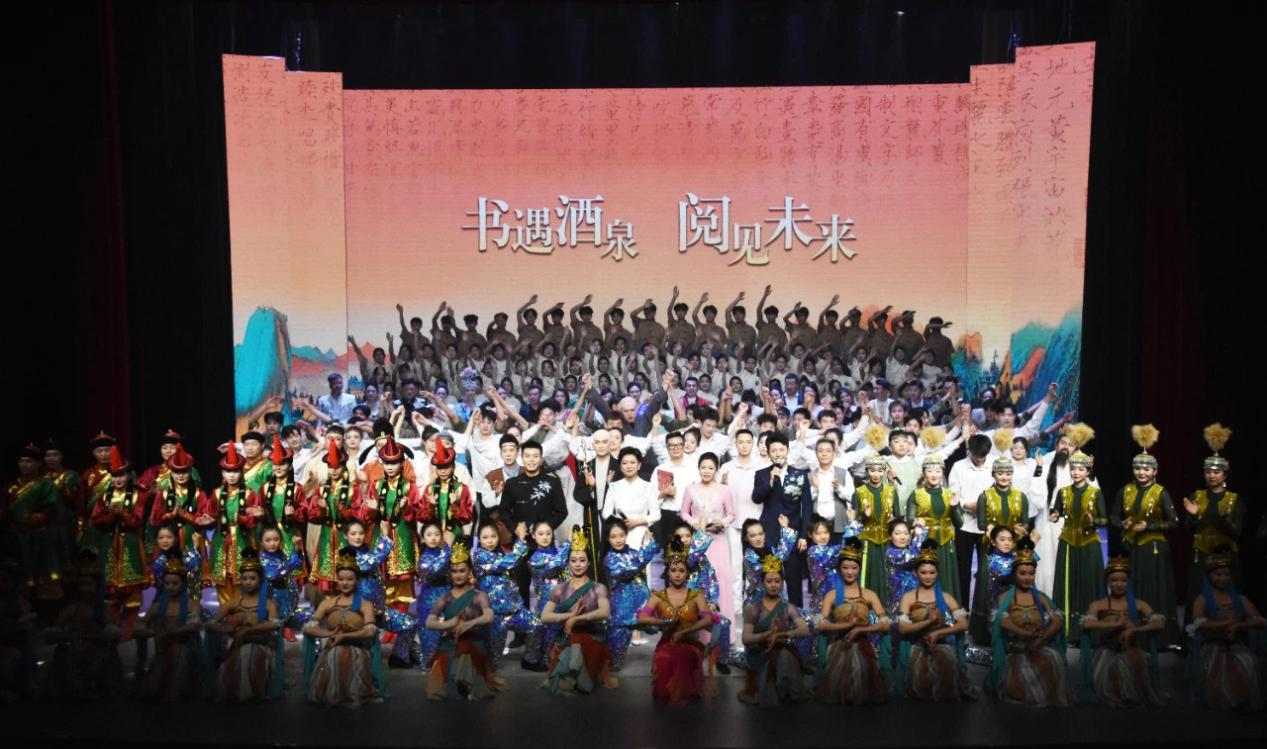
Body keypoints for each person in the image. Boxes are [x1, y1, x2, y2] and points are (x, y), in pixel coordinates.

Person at [1110, 425, 1179, 647]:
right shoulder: (1125, 490)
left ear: (1155, 471)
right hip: (1131, 548)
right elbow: (1113, 516)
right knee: (1134, 589)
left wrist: (1148, 526)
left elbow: (1174, 521)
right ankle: (1133, 635)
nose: (1142, 472)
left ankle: (1159, 638)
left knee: (1154, 591)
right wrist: (1122, 523)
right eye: (1138, 468)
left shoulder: (1161, 492)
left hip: (1154, 548)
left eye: (1147, 469)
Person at [986, 537, 1069, 707]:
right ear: (1014, 574)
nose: (1027, 578)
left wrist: (1039, 640)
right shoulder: (1005, 598)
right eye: (1022, 573)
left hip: (1038, 645)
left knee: (1053, 659)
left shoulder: (1041, 598)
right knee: (1017, 672)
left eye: (1031, 574)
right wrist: (1025, 634)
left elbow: (1058, 620)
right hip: (1016, 648)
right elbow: (1002, 622)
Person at [363, 435, 423, 665]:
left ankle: (400, 629)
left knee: (403, 585)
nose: (390, 467)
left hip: (404, 538)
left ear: (401, 463)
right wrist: (372, 509)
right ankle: (389, 625)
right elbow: (365, 515)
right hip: (382, 539)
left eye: (394, 462)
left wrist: (407, 508)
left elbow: (419, 514)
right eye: (386, 463)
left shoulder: (409, 486)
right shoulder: (376, 485)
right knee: (383, 583)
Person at [1078, 556, 1166, 707]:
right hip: (1107, 651)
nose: (1119, 584)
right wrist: (1115, 624)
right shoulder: (1099, 604)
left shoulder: (1139, 604)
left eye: (1123, 580)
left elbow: (1160, 623)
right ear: (1108, 581)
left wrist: (1134, 629)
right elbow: (1086, 623)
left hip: (1130, 649)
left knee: (1136, 664)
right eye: (1114, 580)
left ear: (1128, 582)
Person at [302, 550, 386, 707]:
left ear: (357, 580)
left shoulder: (365, 604)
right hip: (332, 649)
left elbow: (370, 631)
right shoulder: (327, 603)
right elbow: (309, 629)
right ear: (337, 580)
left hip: (357, 650)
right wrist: (328, 633)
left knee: (345, 655)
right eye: (341, 579)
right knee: (335, 655)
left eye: (350, 579)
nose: (345, 583)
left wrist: (345, 636)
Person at [424, 539, 505, 701]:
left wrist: (469, 624)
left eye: (462, 570)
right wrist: (450, 623)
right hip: (449, 644)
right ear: (450, 573)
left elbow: (489, 616)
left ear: (469, 572)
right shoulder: (445, 597)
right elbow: (429, 622)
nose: (458, 575)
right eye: (454, 571)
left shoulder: (479, 595)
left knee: (466, 650)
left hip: (473, 644)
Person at [637, 538, 713, 704]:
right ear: (667, 572)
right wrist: (665, 623)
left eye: (681, 570)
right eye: (673, 570)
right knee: (661, 693)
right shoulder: (658, 596)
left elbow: (708, 619)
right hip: (666, 644)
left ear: (687, 573)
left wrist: (685, 631)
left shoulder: (696, 595)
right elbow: (642, 617)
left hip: (690, 643)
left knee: (683, 654)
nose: (677, 574)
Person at [814, 538, 889, 705]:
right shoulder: (832, 595)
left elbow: (885, 624)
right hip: (839, 645)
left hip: (863, 645)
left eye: (854, 568)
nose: (850, 572)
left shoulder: (869, 594)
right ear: (839, 569)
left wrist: (860, 630)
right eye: (845, 567)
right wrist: (847, 625)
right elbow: (820, 624)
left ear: (859, 568)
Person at [1187, 549, 1265, 710]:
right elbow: (1197, 624)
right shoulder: (1202, 599)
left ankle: (1243, 701)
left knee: (1249, 662)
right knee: (1218, 668)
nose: (1223, 578)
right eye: (1218, 574)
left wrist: (1239, 625)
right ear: (1209, 576)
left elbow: (1260, 621)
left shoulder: (1240, 598)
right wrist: (1226, 624)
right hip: (1212, 645)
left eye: (1227, 574)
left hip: (1236, 644)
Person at [541, 527, 615, 695]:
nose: (578, 564)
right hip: (566, 639)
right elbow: (545, 616)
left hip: (592, 639)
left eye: (582, 560)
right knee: (565, 676)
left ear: (589, 563)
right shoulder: (559, 589)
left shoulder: (598, 588)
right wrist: (571, 615)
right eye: (573, 560)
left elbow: (605, 612)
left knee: (582, 684)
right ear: (568, 563)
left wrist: (577, 619)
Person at [39, 552, 122, 699]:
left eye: (88, 585)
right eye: (81, 585)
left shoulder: (103, 610)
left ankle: (94, 686)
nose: (84, 588)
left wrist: (90, 637)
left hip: (96, 649)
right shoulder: (70, 609)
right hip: (73, 649)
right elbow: (55, 630)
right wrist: (66, 636)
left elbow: (111, 633)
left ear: (97, 587)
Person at [896, 539, 971, 702]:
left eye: (932, 572)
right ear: (915, 573)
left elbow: (963, 624)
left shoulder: (946, 597)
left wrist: (938, 633)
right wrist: (928, 621)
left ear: (937, 573)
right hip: (917, 648)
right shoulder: (908, 597)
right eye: (923, 572)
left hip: (941, 648)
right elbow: (902, 628)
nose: (928, 576)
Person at [205, 549, 284, 702]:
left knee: (249, 652)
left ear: (260, 580)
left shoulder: (268, 604)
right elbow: (210, 624)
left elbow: (275, 626)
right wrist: (227, 629)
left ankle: (252, 691)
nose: (248, 582)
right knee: (241, 654)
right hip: (236, 646)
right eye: (245, 578)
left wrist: (248, 631)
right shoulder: (234, 603)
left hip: (261, 647)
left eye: (252, 578)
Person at [1181, 424, 1243, 619]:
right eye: (1208, 472)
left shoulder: (1234, 499)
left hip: (1226, 555)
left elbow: (1237, 533)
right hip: (1201, 553)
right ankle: (1195, 635)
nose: (1212, 476)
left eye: (1216, 472)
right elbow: (1188, 528)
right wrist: (1194, 516)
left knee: (1228, 597)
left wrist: (1224, 520)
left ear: (1225, 475)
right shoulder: (1197, 496)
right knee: (1197, 593)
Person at [88, 446, 149, 639]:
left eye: (122, 475)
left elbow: (137, 520)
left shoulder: (138, 495)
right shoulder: (104, 496)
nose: (118, 479)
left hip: (130, 545)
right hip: (109, 546)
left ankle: (128, 630)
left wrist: (121, 513)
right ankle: (112, 628)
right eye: (114, 476)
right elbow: (95, 520)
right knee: (110, 591)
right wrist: (110, 516)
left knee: (132, 591)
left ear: (129, 476)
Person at [738, 555, 811, 706]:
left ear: (782, 583)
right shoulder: (754, 609)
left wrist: (781, 634)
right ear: (762, 583)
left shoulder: (788, 607)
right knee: (782, 657)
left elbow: (804, 630)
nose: (773, 585)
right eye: (769, 581)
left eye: (777, 581)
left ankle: (786, 691)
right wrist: (767, 635)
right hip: (761, 653)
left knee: (784, 655)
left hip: (782, 649)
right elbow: (746, 638)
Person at [472, 521, 543, 671]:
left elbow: (512, 560)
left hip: (513, 610)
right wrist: (521, 538)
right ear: (479, 540)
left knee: (536, 625)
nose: (490, 540)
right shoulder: (479, 556)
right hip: (494, 615)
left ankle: (530, 660)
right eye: (485, 537)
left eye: (493, 536)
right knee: (492, 664)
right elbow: (508, 562)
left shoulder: (500, 554)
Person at [1051, 450, 1107, 639]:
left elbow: (1104, 519)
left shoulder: (1095, 493)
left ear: (1088, 471)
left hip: (1089, 543)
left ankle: (1089, 630)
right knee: (1067, 584)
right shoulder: (1063, 492)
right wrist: (1055, 515)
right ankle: (1067, 631)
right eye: (1073, 469)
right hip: (1067, 542)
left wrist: (1094, 521)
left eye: (1081, 469)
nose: (1076, 472)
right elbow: (1057, 511)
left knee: (1088, 583)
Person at [134, 555, 205, 702]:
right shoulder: (157, 607)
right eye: (167, 583)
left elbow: (194, 625)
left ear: (183, 583)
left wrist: (169, 633)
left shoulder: (192, 605)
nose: (170, 587)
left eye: (175, 583)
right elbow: (140, 625)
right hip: (163, 650)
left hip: (185, 652)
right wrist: (151, 632)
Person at [753, 432, 812, 607]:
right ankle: (772, 617)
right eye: (774, 450)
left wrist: (803, 536)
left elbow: (807, 507)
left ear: (787, 450)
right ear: (768, 453)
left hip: (792, 534)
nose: (778, 453)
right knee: (770, 581)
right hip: (769, 535)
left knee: (794, 581)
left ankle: (796, 617)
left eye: (781, 449)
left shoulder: (800, 475)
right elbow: (756, 498)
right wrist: (771, 480)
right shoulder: (762, 474)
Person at [679, 452, 735, 633]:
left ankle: (724, 631)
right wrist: (693, 523)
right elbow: (683, 512)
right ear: (698, 469)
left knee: (721, 579)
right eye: (703, 467)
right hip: (698, 542)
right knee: (700, 582)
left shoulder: (724, 490)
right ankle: (700, 634)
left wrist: (722, 522)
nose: (706, 471)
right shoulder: (691, 489)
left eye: (710, 468)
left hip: (718, 540)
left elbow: (731, 515)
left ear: (716, 469)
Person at [207, 445, 262, 607]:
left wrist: (243, 518)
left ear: (241, 472)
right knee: (222, 576)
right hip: (221, 539)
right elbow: (210, 515)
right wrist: (206, 519)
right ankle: (225, 612)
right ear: (223, 473)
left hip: (242, 539)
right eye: (228, 471)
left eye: (235, 471)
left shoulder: (250, 493)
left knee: (242, 576)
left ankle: (241, 609)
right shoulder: (217, 493)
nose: (231, 475)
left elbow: (253, 521)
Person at [904, 454, 963, 602]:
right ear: (924, 473)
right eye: (930, 471)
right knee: (926, 574)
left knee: (945, 575)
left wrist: (954, 507)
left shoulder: (949, 494)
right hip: (925, 542)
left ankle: (947, 608)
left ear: (942, 472)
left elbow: (960, 523)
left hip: (945, 543)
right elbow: (909, 520)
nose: (934, 475)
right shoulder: (916, 494)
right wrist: (916, 521)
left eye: (938, 471)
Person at [604, 519, 660, 672]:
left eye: (621, 535)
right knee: (615, 662)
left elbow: (640, 571)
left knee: (664, 625)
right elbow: (631, 569)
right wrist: (648, 547)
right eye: (613, 537)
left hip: (641, 606)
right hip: (622, 611)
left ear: (626, 535)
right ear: (608, 539)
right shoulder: (610, 559)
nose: (618, 540)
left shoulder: (634, 553)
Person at [853, 454, 898, 598]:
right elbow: (853, 521)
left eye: (879, 471)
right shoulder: (859, 492)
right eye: (872, 471)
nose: (876, 474)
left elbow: (897, 516)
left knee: (887, 574)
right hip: (867, 542)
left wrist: (893, 520)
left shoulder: (891, 491)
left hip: (887, 540)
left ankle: (887, 605)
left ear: (884, 471)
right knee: (868, 574)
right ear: (867, 471)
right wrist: (862, 515)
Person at [415, 521, 452, 669]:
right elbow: (435, 570)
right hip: (429, 601)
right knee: (430, 637)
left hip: (446, 596)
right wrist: (448, 548)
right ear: (423, 539)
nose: (433, 538)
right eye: (429, 535)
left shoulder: (444, 553)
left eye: (437, 534)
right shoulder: (424, 558)